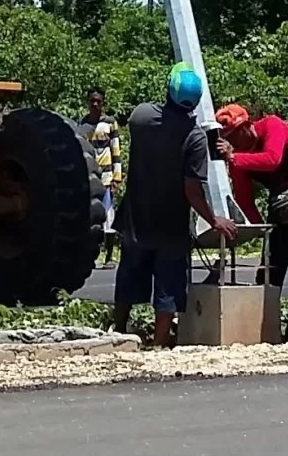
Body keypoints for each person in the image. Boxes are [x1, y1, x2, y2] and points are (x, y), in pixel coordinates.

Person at [112, 64, 237, 344]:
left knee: (129, 275)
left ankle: (118, 332)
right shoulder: (194, 138)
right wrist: (214, 218)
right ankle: (159, 343)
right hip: (171, 224)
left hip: (137, 218)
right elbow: (192, 190)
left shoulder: (141, 117)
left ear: (168, 90)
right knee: (168, 285)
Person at [215, 102, 288, 341]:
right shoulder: (238, 160)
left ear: (245, 127)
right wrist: (260, 229)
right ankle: (266, 327)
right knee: (269, 272)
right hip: (279, 209)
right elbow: (244, 198)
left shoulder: (273, 126)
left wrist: (235, 158)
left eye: (233, 136)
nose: (233, 142)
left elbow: (272, 158)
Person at [83, 88, 121, 244]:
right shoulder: (83, 124)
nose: (95, 104)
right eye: (92, 101)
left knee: (108, 217)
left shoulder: (110, 123)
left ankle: (109, 255)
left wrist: (116, 177)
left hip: (106, 178)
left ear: (103, 103)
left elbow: (116, 150)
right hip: (89, 178)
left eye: (98, 101)